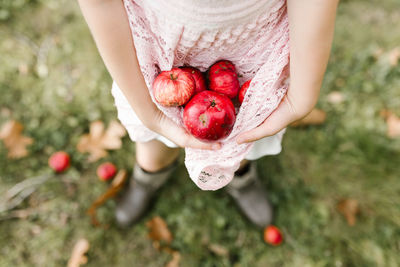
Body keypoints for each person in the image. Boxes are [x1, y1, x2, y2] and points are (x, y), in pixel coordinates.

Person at [77, 0, 339, 228]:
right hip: (160, 52)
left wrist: (303, 94)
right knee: (155, 142)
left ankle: (239, 173)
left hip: (251, 52)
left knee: (241, 134)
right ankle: (149, 175)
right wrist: (147, 110)